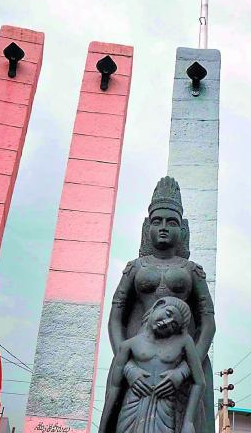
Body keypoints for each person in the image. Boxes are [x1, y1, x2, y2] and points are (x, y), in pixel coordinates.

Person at [103, 176, 215, 432]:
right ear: (147, 227)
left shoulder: (192, 270)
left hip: (181, 360)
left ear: (183, 229)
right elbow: (115, 318)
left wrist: (186, 370)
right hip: (137, 358)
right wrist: (128, 367)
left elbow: (208, 324)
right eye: (157, 221)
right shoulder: (135, 267)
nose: (163, 227)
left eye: (171, 222)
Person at [99, 297, 205, 433]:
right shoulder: (129, 345)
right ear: (157, 306)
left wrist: (188, 422)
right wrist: (103, 428)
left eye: (174, 325)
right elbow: (114, 389)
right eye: (168, 314)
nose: (167, 323)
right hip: (132, 409)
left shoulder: (184, 342)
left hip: (164, 411)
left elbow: (200, 382)